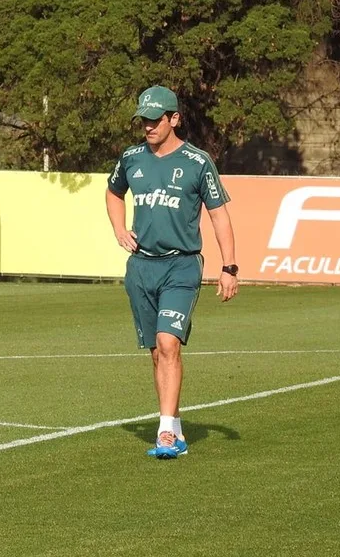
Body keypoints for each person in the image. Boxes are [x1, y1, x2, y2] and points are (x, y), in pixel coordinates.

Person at [105, 85, 238, 459]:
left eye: (154, 120)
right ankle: (174, 426)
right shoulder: (130, 158)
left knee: (168, 344)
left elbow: (218, 214)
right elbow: (113, 192)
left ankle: (164, 433)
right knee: (156, 352)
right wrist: (119, 229)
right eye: (143, 120)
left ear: (174, 118)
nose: (147, 126)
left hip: (182, 264)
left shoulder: (197, 162)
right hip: (141, 267)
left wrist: (229, 266)